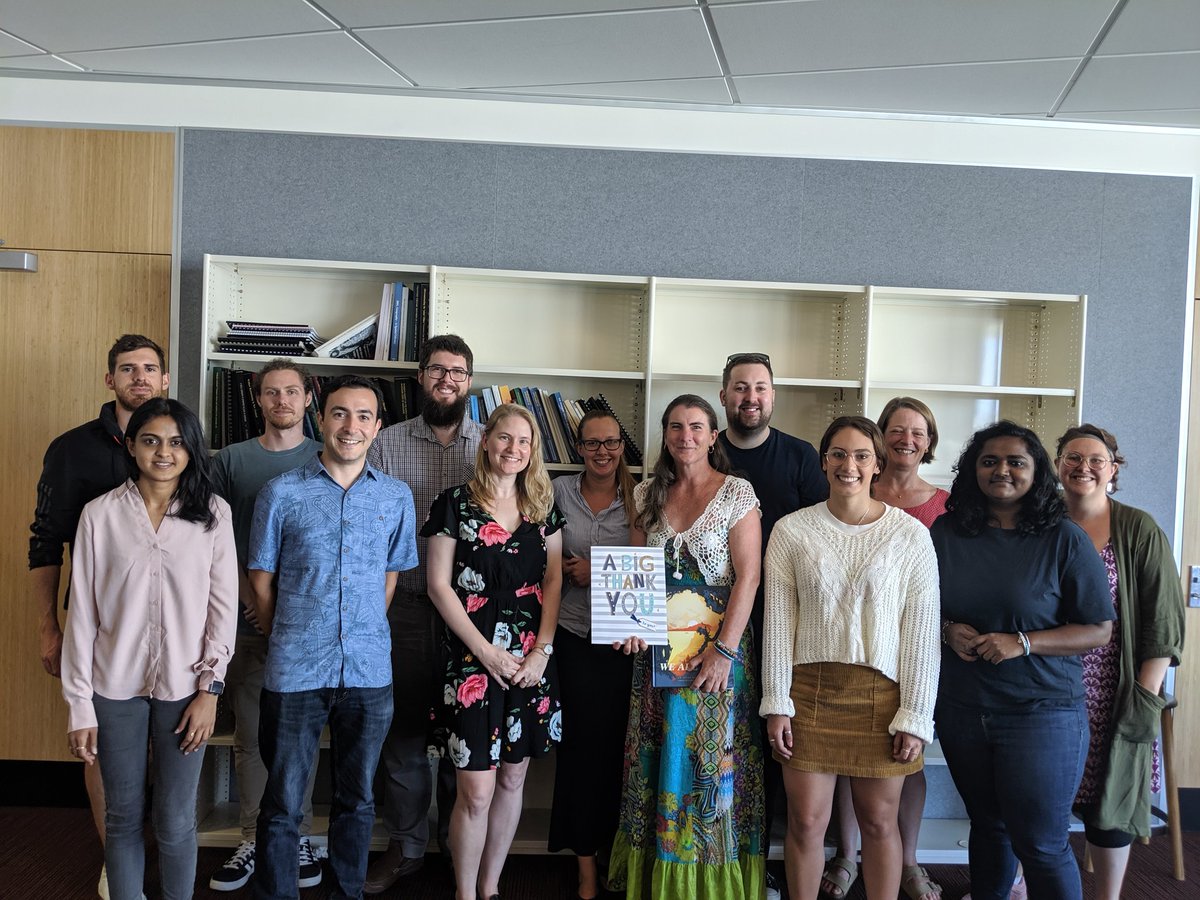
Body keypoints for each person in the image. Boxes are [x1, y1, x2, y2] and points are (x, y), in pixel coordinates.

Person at [60, 397, 238, 900]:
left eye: (177, 442)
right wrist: (79, 706)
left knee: (176, 818)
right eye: (151, 440)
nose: (164, 452)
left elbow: (222, 610)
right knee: (122, 816)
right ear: (132, 446)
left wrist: (210, 691)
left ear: (192, 449)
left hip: (186, 689)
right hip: (112, 686)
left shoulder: (214, 514)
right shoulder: (99, 515)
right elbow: (82, 615)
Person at [249, 375, 418, 899]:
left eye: (363, 416)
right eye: (340, 413)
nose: (351, 426)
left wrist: (361, 629)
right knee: (283, 802)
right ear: (320, 418)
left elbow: (391, 575)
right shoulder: (281, 492)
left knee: (358, 799)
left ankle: (347, 892)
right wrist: (292, 632)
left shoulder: (395, 496)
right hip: (295, 669)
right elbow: (260, 579)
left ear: (377, 427)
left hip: (368, 669)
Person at [761, 415, 939, 900]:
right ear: (823, 462)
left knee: (880, 823)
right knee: (806, 822)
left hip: (883, 699)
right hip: (808, 694)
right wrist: (777, 702)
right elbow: (778, 624)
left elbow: (921, 634)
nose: (849, 465)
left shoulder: (910, 536)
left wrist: (916, 715)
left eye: (862, 455)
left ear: (878, 463)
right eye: (838, 454)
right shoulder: (791, 531)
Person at [933, 421, 1114, 900]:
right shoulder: (947, 532)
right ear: (973, 470)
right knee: (988, 827)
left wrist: (1024, 642)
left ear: (1037, 472)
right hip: (963, 709)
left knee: (1041, 843)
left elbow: (1098, 628)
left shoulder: (1064, 537)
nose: (1002, 470)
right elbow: (922, 606)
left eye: (1016, 461)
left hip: (1041, 712)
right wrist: (947, 630)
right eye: (989, 461)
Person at [30, 333, 169, 900]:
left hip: (170, 627)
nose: (140, 377)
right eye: (127, 369)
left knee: (160, 746)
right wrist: (49, 627)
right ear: (110, 379)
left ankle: (148, 848)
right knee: (102, 744)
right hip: (99, 626)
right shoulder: (72, 450)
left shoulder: (183, 442)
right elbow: (46, 542)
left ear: (164, 379)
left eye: (149, 368)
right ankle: (117, 858)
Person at [609, 394, 764, 900]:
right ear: (666, 434)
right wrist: (631, 626)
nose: (686, 436)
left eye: (697, 427)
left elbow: (749, 577)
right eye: (676, 427)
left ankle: (709, 883)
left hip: (718, 657)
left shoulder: (736, 493)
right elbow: (635, 574)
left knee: (708, 768)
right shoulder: (646, 493)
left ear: (713, 435)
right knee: (659, 757)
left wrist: (724, 652)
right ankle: (658, 877)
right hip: (657, 658)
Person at [423, 403, 564, 900]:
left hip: (529, 660)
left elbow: (553, 580)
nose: (513, 449)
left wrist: (542, 651)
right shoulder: (453, 503)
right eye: (505, 438)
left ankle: (491, 886)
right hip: (471, 657)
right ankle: (465, 892)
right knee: (476, 791)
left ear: (533, 450)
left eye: (524, 441)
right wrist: (485, 652)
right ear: (486, 441)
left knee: (512, 780)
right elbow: (439, 586)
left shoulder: (543, 504)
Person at [364, 333, 484, 893]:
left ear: (469, 382)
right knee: (405, 733)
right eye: (437, 370)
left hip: (475, 615)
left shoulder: (491, 443)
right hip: (406, 609)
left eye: (457, 372)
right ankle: (407, 845)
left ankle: (458, 845)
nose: (446, 380)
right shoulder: (385, 444)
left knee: (466, 732)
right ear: (420, 377)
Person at [824, 397, 948, 900]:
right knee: (847, 762)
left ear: (929, 442)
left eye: (918, 432)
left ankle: (909, 860)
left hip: (917, 647)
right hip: (852, 651)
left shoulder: (943, 506)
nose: (907, 440)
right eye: (897, 430)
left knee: (907, 755)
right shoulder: (850, 487)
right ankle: (847, 855)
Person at [207, 359, 323, 892]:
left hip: (307, 629)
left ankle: (297, 834)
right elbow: (212, 539)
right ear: (258, 399)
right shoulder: (231, 460)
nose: (282, 400)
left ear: (308, 397)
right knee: (251, 736)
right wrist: (251, 600)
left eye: (292, 391)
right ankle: (254, 836)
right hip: (248, 623)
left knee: (301, 740)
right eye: (272, 392)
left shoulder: (325, 456)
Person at [1055, 424, 1185, 900]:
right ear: (1057, 465)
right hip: (1047, 688)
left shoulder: (1139, 528)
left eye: (1096, 459)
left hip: (1117, 693)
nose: (1083, 467)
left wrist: (1143, 700)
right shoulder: (1040, 521)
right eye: (1072, 457)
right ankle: (1023, 886)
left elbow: (1163, 622)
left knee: (1109, 809)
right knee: (1038, 802)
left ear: (1113, 469)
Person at [717, 351, 827, 900]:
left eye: (760, 388)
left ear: (773, 396)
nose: (751, 398)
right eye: (740, 388)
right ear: (724, 396)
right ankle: (722, 860)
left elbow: (823, 537)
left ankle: (765, 862)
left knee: (774, 748)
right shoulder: (702, 447)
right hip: (709, 629)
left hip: (787, 628)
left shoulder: (801, 458)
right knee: (723, 749)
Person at [547, 410, 637, 900]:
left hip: (625, 647)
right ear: (578, 448)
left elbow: (652, 568)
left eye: (611, 443)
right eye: (592, 444)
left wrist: (596, 571)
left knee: (621, 756)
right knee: (580, 754)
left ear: (622, 446)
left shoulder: (641, 497)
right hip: (572, 638)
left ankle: (614, 857)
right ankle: (584, 865)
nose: (603, 452)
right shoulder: (558, 492)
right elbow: (538, 555)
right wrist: (572, 570)